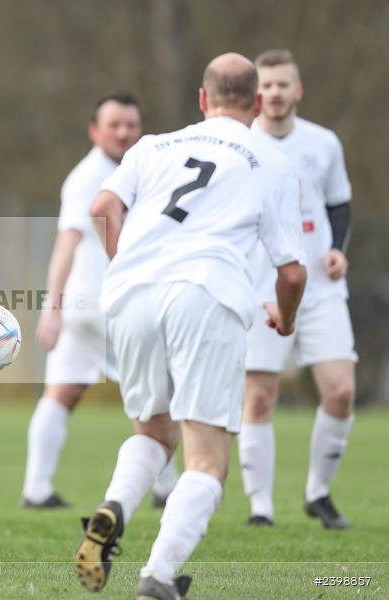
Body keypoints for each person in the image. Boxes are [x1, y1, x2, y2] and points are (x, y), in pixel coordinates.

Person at [76, 53, 307, 599]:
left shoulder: (153, 145)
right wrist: (285, 319)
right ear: (254, 104)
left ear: (202, 100)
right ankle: (158, 575)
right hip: (204, 294)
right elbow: (292, 274)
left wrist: (124, 261)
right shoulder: (270, 159)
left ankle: (113, 506)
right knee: (207, 459)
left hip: (133, 294)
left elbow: (102, 205)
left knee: (153, 433)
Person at [23, 94, 178, 509]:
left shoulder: (133, 170)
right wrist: (50, 308)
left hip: (87, 307)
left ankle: (36, 489)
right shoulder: (90, 177)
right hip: (108, 306)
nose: (124, 132)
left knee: (61, 393)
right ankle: (166, 488)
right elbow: (66, 244)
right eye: (115, 125)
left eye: (131, 124)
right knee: (152, 392)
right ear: (95, 131)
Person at [239, 49, 356, 530]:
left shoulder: (323, 142)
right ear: (254, 94)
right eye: (265, 85)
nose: (274, 93)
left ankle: (318, 493)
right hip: (263, 285)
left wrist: (338, 249)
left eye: (283, 84)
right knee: (260, 399)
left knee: (341, 391)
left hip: (321, 288)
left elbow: (339, 205)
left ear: (297, 90)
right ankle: (260, 508)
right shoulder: (240, 145)